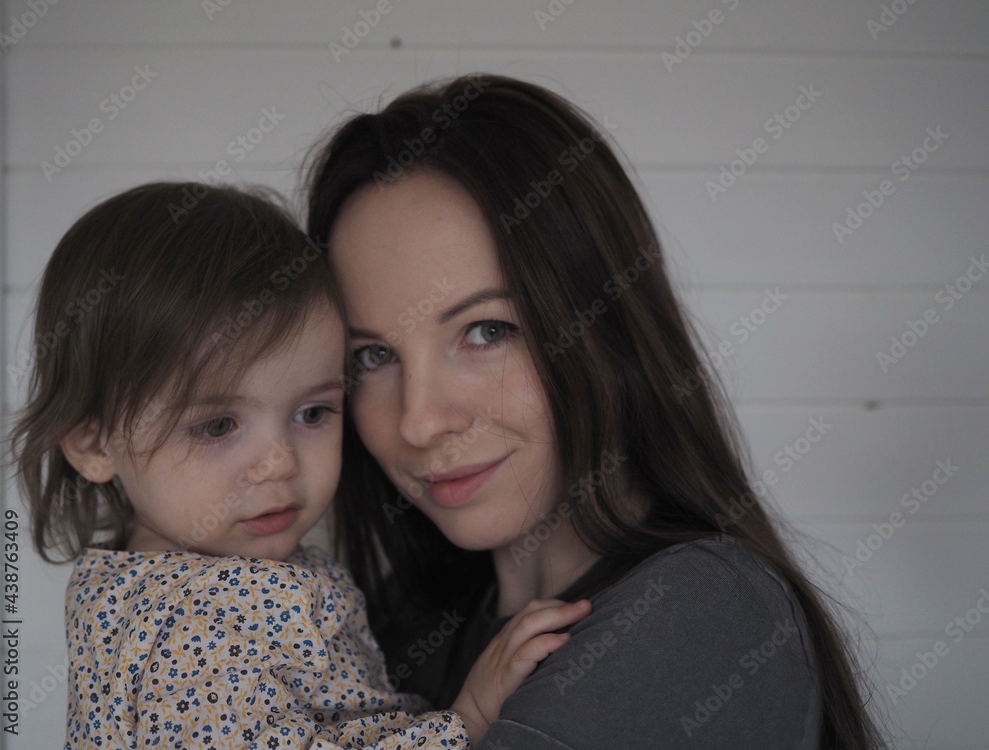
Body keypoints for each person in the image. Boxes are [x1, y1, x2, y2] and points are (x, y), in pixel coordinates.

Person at [304, 74, 887, 749]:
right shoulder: (385, 630)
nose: (420, 422)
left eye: (488, 331)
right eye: (374, 356)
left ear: (608, 327)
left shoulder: (698, 614)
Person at [8, 181, 590, 749]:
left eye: (312, 413)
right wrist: (465, 720)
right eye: (217, 426)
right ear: (94, 445)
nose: (279, 463)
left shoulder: (195, 582)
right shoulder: (192, 623)